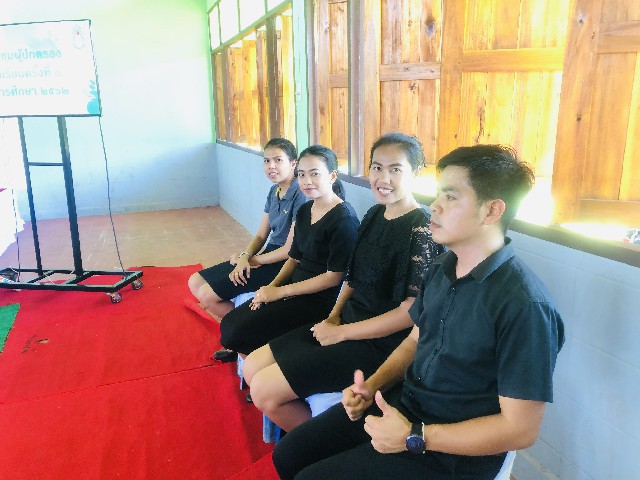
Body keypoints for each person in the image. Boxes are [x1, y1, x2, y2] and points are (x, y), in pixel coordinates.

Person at [271, 144, 566, 480]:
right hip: (406, 405)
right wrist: (371, 387)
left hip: (452, 451)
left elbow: (520, 430)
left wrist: (415, 436)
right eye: (439, 194)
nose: (435, 206)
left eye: (450, 197)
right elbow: (415, 338)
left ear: (492, 211)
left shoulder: (524, 305)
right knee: (290, 454)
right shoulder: (442, 266)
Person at [242, 133, 444, 432]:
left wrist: (342, 333)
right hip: (346, 320)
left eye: (395, 169)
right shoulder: (374, 214)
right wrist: (333, 316)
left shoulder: (422, 230)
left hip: (379, 343)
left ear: (415, 173)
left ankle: (318, 444)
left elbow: (409, 314)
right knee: (252, 366)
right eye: (377, 167)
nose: (383, 178)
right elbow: (351, 276)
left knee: (264, 391)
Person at [219, 145, 360, 359]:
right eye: (301, 174)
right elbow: (293, 259)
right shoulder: (305, 210)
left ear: (332, 176)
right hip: (292, 287)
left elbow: (334, 278)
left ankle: (256, 363)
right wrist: (271, 288)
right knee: (231, 324)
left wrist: (281, 293)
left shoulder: (344, 219)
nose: (307, 181)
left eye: (314, 174)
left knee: (239, 331)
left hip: (318, 299)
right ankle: (250, 355)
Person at [186, 138, 306, 330]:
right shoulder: (274, 191)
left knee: (207, 296)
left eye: (278, 160)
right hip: (266, 256)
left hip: (283, 264)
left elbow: (289, 250)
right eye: (266, 161)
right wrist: (244, 256)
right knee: (195, 281)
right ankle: (245, 325)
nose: (271, 166)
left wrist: (253, 261)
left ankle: (245, 330)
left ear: (293, 163)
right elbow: (260, 236)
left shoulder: (301, 194)